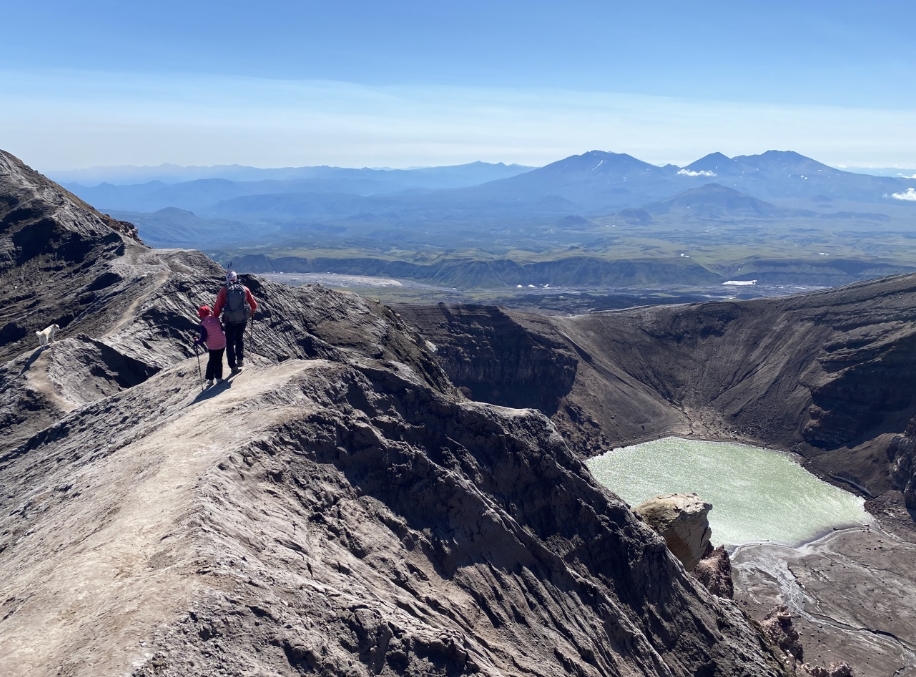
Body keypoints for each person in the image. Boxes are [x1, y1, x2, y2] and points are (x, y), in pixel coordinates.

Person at [213, 270, 258, 375]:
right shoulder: (245, 289)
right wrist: (250, 313)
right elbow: (254, 305)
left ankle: (233, 366)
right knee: (239, 338)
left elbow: (217, 308)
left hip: (229, 321)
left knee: (229, 343)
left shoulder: (224, 291)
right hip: (242, 320)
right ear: (236, 278)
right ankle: (240, 359)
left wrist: (214, 318)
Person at [193, 304, 226, 387]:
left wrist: (197, 341)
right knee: (218, 360)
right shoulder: (216, 319)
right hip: (222, 342)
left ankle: (210, 379)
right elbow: (222, 329)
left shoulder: (203, 324)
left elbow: (204, 338)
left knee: (212, 361)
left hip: (213, 346)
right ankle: (219, 378)